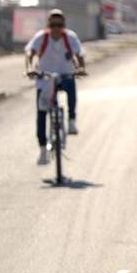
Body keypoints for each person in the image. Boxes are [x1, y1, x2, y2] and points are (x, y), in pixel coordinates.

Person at [25, 9, 86, 165]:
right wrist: (30, 68)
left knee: (72, 87)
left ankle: (72, 120)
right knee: (41, 113)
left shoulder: (70, 37)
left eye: (59, 25)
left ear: (64, 26)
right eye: (53, 25)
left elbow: (79, 54)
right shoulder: (41, 38)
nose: (56, 28)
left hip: (65, 75)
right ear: (48, 25)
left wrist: (81, 68)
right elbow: (30, 53)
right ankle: (43, 150)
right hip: (45, 78)